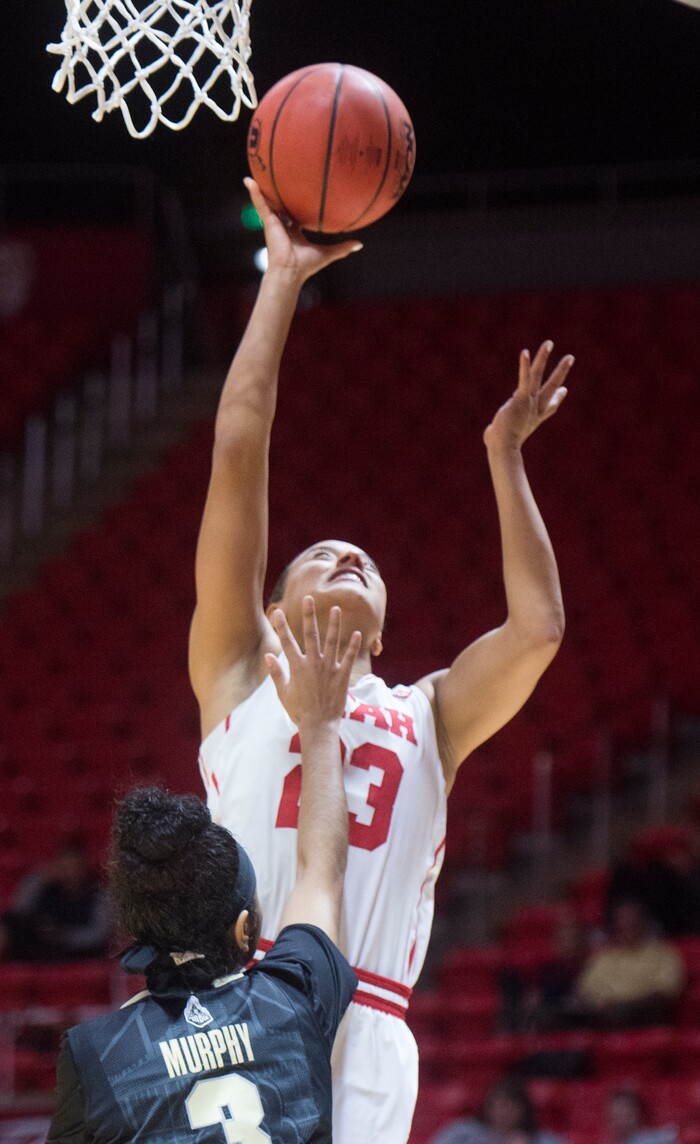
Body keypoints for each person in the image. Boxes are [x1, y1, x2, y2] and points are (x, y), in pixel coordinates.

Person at [190, 177, 572, 1142]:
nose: (348, 553)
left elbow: (538, 629)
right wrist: (281, 281)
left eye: (363, 560)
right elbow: (238, 448)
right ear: (273, 609)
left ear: (387, 634)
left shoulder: (430, 711)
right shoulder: (239, 673)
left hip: (373, 1019)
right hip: (243, 1000)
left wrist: (505, 456)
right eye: (320, 554)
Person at [47, 598, 361, 1143]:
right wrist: (320, 723)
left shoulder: (95, 1055)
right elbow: (321, 871)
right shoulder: (293, 998)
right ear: (244, 929)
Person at [572, 899, 685, 1027]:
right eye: (622, 924)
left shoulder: (664, 954)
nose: (627, 928)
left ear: (644, 924)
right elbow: (584, 990)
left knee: (622, 1012)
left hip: (644, 1012)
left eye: (633, 924)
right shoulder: (603, 957)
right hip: (601, 1014)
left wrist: (629, 1003)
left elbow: (667, 991)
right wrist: (599, 1004)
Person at [0, 838, 112, 963]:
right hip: (44, 945)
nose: (70, 873)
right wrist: (42, 878)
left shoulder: (97, 894)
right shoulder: (48, 888)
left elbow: (98, 935)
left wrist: (65, 936)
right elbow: (19, 909)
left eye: (74, 867)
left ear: (84, 867)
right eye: (65, 867)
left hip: (76, 951)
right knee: (9, 920)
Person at [427, 1077, 567, 1144]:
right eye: (498, 1105)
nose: (503, 1113)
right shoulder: (461, 1134)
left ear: (523, 1109)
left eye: (510, 1107)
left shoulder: (542, 1140)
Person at [602, 1088, 678, 1144]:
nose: (620, 1121)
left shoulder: (660, 1139)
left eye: (624, 1114)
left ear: (637, 1113)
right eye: (616, 1116)